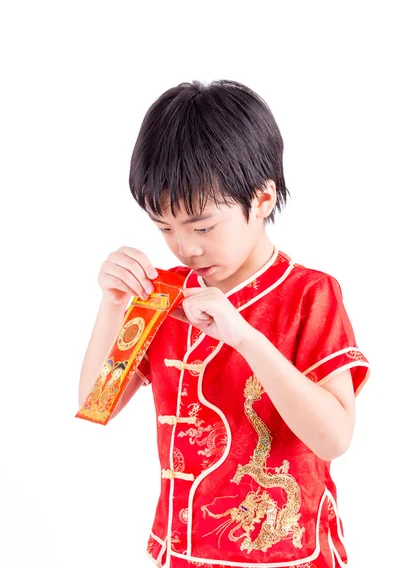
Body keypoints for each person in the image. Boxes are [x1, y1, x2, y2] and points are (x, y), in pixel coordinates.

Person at [77, 79, 370, 568]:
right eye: (164, 227)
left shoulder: (309, 294)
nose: (185, 247)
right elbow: (95, 404)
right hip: (182, 550)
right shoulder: (165, 294)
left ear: (261, 199)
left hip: (288, 554)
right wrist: (112, 305)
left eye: (203, 226)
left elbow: (334, 438)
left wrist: (244, 338)